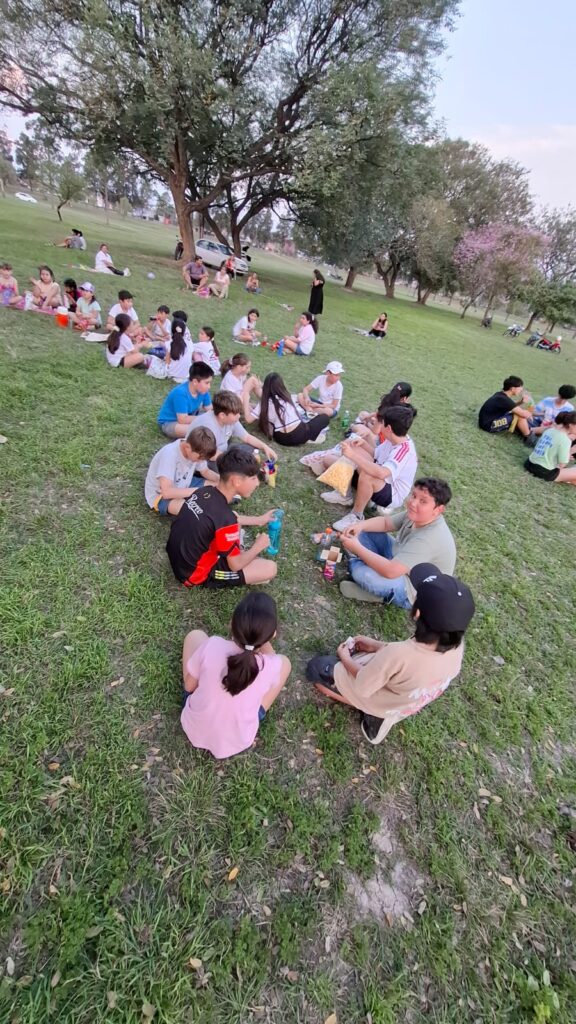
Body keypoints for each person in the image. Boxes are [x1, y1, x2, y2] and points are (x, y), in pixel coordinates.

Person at [306, 563, 475, 745]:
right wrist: (377, 646)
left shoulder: (399, 654)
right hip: (404, 702)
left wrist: (345, 657)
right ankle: (384, 712)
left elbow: (363, 684)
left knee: (317, 669)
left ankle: (374, 713)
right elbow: (410, 661)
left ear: (417, 613)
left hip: (379, 698)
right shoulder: (456, 646)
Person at [181, 591, 291, 759]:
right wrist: (261, 636)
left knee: (195, 636)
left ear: (231, 623)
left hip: (194, 726)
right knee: (285, 663)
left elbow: (189, 686)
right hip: (238, 739)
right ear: (273, 634)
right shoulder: (271, 665)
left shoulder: (212, 645)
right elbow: (273, 658)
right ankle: (252, 711)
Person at [166, 447, 278, 588]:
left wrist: (259, 520)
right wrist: (258, 546)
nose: (257, 483)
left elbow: (225, 520)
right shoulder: (226, 519)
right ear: (236, 481)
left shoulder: (204, 492)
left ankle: (237, 552)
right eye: (253, 478)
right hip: (195, 575)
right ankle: (236, 558)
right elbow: (235, 565)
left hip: (179, 559)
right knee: (270, 568)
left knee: (233, 521)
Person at [338, 478, 456, 605]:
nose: (413, 503)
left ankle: (378, 588)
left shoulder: (429, 539)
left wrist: (356, 548)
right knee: (363, 531)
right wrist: (360, 525)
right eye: (414, 495)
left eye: (423, 501)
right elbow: (385, 523)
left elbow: (390, 571)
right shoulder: (417, 514)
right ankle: (367, 566)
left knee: (364, 575)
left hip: (413, 587)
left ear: (438, 509)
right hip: (400, 561)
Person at [329, 405, 418, 531]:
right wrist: (363, 443)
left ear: (388, 428)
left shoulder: (404, 450)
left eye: (382, 423)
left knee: (368, 474)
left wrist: (352, 455)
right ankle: (344, 494)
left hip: (392, 493)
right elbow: (376, 454)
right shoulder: (393, 438)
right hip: (382, 480)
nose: (379, 425)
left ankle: (356, 516)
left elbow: (382, 473)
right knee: (356, 449)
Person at [145, 425, 219, 516]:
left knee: (219, 487)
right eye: (199, 458)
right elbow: (166, 492)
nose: (200, 461)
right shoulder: (169, 454)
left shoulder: (196, 448)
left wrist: (221, 480)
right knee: (196, 512)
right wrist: (198, 491)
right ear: (187, 447)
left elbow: (205, 471)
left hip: (184, 483)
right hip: (161, 495)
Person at [243, 372, 330, 447]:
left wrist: (246, 398)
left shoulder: (264, 403)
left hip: (280, 438)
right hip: (298, 435)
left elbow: (248, 419)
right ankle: (310, 437)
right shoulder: (285, 396)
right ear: (281, 385)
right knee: (324, 418)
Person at [194, 391, 277, 460]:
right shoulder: (208, 426)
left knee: (251, 449)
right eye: (236, 414)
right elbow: (209, 455)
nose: (239, 416)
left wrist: (265, 447)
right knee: (233, 467)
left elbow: (247, 437)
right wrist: (233, 459)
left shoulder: (231, 420)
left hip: (223, 450)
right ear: (222, 415)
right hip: (207, 459)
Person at [157, 362, 214, 438]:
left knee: (210, 424)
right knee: (199, 432)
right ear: (195, 382)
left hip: (191, 415)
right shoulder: (180, 393)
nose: (209, 386)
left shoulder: (203, 391)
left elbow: (209, 409)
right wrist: (205, 419)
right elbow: (182, 420)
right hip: (170, 422)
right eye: (207, 383)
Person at [478, 376, 536, 444]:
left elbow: (511, 406)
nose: (521, 389)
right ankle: (529, 439)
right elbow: (523, 414)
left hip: (485, 422)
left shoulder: (500, 395)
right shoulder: (504, 400)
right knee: (519, 415)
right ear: (512, 388)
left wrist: (521, 402)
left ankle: (526, 432)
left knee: (519, 413)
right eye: (520, 386)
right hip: (488, 425)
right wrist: (530, 411)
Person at [524, 412, 576, 486]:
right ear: (571, 425)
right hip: (543, 471)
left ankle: (569, 479)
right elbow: (562, 464)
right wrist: (569, 453)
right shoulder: (566, 440)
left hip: (529, 463)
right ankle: (568, 480)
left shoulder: (550, 430)